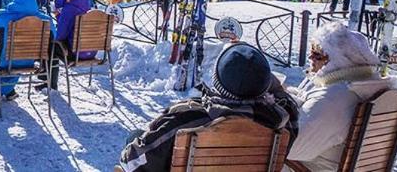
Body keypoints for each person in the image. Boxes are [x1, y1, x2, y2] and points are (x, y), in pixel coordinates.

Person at [117, 43, 299, 171]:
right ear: (265, 85)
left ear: (217, 82)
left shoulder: (189, 120)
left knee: (135, 137)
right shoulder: (281, 122)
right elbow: (286, 99)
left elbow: (132, 161)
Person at [287, 24, 391, 171]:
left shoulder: (334, 98)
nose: (310, 57)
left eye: (318, 54)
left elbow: (291, 147)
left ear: (339, 59)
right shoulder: (361, 83)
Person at [0, 0, 53, 101]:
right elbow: (54, 36)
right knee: (17, 58)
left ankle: (2, 89)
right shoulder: (45, 20)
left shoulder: (6, 16)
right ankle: (8, 90)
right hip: (30, 60)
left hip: (6, 60)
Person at [36, 0, 94, 92]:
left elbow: (61, 35)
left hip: (76, 53)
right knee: (53, 47)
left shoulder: (68, 9)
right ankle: (46, 81)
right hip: (90, 50)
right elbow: (70, 24)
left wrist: (58, 15)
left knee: (50, 47)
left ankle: (48, 83)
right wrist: (59, 16)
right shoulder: (85, 6)